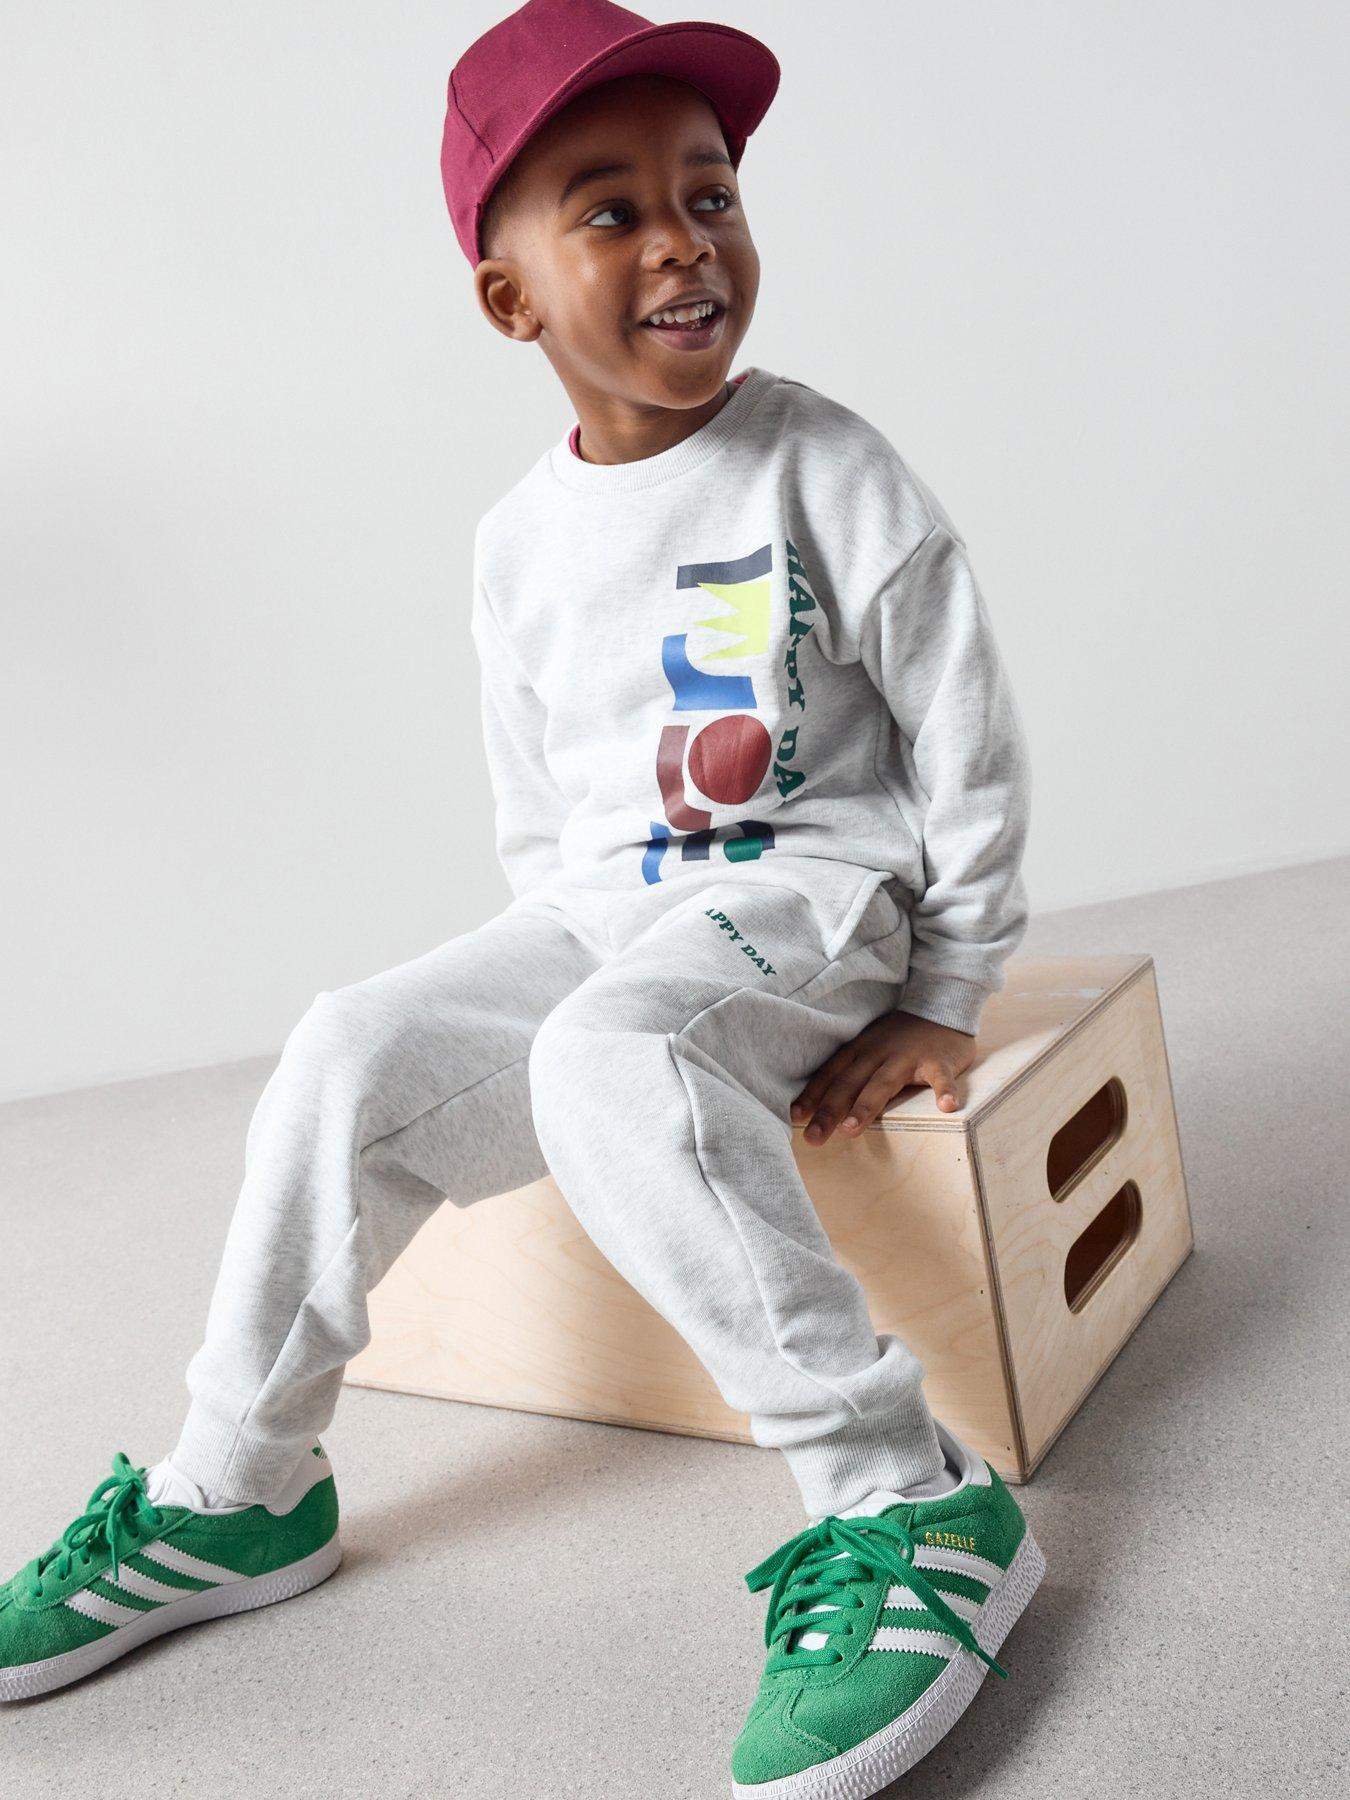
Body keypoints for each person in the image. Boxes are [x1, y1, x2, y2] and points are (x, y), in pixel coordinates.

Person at [0, 2, 1045, 1791]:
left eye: (710, 195)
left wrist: (947, 981)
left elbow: (963, 722)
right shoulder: (515, 541)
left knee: (609, 1059)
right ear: (509, 300)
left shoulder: (825, 462)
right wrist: (548, 975)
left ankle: (908, 1498)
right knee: (347, 1045)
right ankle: (234, 1489)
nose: (682, 241)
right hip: (606, 912)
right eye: (612, 210)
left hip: (813, 896)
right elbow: (542, 813)